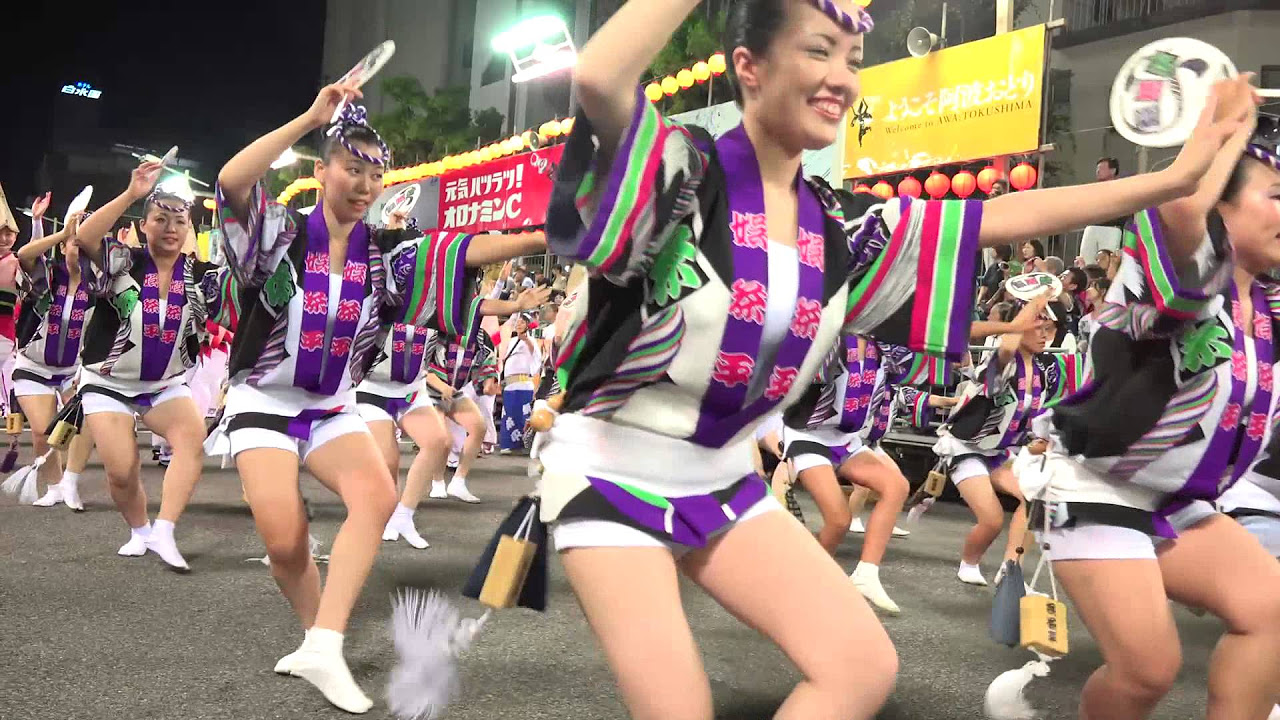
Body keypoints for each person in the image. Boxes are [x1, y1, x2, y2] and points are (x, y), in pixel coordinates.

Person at [530, 0, 1234, 716]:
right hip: (610, 472)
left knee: (860, 667)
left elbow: (997, 218)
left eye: (852, 61)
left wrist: (1171, 182)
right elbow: (601, 77)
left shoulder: (841, 226)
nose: (840, 78)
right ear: (748, 67)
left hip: (719, 481)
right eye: (816, 53)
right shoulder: (681, 172)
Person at [215, 83, 545, 713]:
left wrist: (536, 238)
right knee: (285, 545)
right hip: (262, 401)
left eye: (375, 174)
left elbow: (459, 249)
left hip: (335, 405)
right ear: (322, 172)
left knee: (377, 496)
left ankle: (326, 642)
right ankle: (319, 639)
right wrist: (312, 115)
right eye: (352, 169)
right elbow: (233, 178)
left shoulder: (386, 255)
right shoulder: (279, 235)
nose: (365, 184)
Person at [1035, 96, 1280, 720]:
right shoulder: (1183, 266)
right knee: (1149, 670)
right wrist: (1218, 137)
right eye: (1276, 194)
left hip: (1182, 502)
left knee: (1271, 613)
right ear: (1220, 204)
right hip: (1097, 488)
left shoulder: (1271, 307)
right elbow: (1179, 208)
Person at [71, 162, 230, 572]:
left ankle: (164, 529)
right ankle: (140, 529)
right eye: (161, 219)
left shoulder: (201, 275)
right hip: (107, 381)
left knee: (192, 440)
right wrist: (131, 193)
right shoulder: (123, 261)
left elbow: (245, 286)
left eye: (180, 220)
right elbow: (85, 237)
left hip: (164, 384)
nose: (171, 228)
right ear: (144, 226)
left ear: (190, 227)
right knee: (122, 472)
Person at [781, 333, 954, 614]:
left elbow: (938, 344)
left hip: (847, 438)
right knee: (838, 520)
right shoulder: (827, 336)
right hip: (806, 432)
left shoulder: (883, 347)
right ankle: (806, 581)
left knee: (895, 484)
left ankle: (866, 573)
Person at [934, 296, 1080, 585]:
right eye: (1036, 327)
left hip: (999, 452)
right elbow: (1005, 349)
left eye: (1047, 329)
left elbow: (1032, 422)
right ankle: (969, 562)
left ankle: (1010, 569)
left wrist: (1041, 444)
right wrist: (1030, 306)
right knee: (992, 518)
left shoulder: (1040, 372)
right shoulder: (1002, 362)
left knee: (1034, 499)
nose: (1044, 335)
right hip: (965, 448)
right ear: (1019, 328)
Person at [13, 206, 98, 510]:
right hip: (33, 366)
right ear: (62, 248)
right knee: (42, 430)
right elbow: (23, 253)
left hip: (73, 371)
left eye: (83, 244)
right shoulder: (47, 275)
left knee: (78, 427)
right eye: (72, 243)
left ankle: (69, 481)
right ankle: (54, 487)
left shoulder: (97, 287)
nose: (77, 249)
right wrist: (64, 230)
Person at [500, 312, 542, 453]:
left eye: (522, 322)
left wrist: (526, 340)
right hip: (510, 383)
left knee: (523, 414)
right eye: (517, 322)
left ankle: (524, 443)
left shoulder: (531, 340)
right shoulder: (510, 341)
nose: (519, 324)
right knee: (509, 413)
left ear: (528, 325)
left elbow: (535, 354)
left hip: (524, 383)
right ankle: (508, 444)